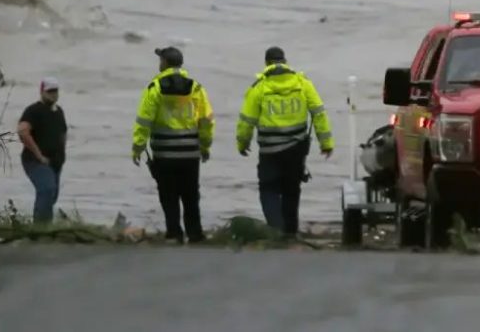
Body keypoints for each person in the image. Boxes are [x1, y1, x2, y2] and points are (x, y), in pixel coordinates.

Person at [237, 46, 335, 238]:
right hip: (296, 148)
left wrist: (243, 143)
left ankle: (276, 229)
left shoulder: (259, 87)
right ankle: (290, 232)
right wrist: (326, 143)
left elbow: (246, 121)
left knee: (269, 188)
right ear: (285, 60)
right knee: (292, 190)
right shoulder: (302, 83)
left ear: (266, 63)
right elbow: (318, 113)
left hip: (270, 150)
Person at [132, 46, 214, 244]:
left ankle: (174, 233)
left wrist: (138, 146)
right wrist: (205, 146)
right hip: (190, 152)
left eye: (161, 60)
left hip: (165, 153)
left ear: (165, 63)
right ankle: (195, 234)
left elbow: (144, 120)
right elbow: (206, 120)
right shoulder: (195, 87)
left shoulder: (155, 87)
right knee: (191, 195)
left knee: (168, 195)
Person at [17, 77, 68, 224]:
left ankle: (43, 226)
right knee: (46, 189)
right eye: (50, 91)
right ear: (42, 92)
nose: (53, 94)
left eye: (55, 91)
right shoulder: (33, 110)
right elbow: (22, 132)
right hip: (35, 161)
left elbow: (63, 134)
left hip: (55, 161)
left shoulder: (59, 112)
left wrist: (62, 155)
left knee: (51, 195)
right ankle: (41, 228)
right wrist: (39, 155)